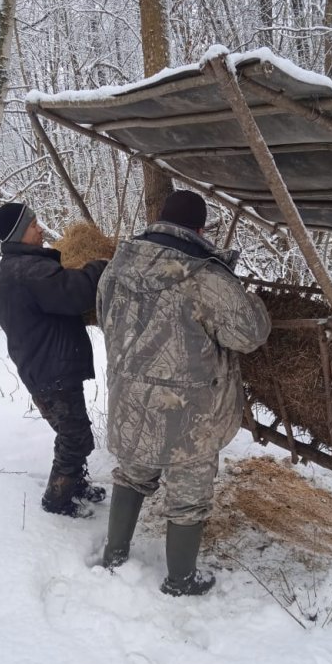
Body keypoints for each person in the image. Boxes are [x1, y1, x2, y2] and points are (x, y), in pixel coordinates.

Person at [97, 189, 271, 596]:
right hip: (189, 410)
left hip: (130, 398)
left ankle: (115, 555)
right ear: (199, 229)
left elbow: (106, 317)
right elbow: (249, 335)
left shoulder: (117, 265)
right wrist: (257, 304)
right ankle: (180, 581)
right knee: (188, 496)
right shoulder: (208, 278)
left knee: (133, 471)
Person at [0, 201, 108, 519]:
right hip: (50, 371)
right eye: (32, 225)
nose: (40, 228)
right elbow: (75, 292)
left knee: (77, 431)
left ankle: (75, 484)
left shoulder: (20, 266)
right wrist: (100, 266)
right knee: (73, 436)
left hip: (49, 366)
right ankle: (57, 500)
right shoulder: (29, 270)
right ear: (18, 233)